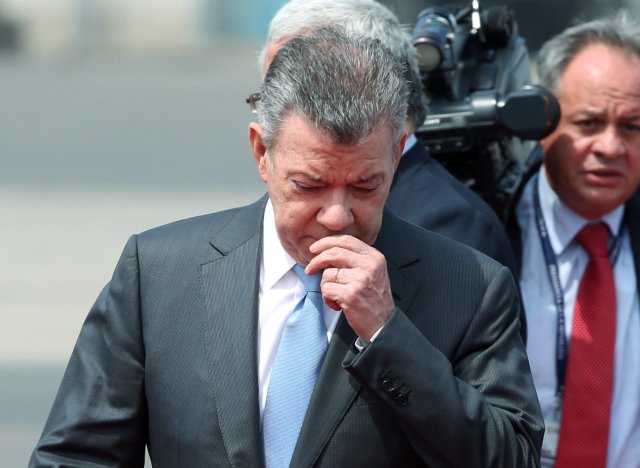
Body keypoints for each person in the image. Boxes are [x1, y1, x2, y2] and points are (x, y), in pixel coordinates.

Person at [31, 28, 542, 467]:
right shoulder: (161, 273)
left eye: (366, 186)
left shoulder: (470, 285)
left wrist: (389, 335)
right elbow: (77, 455)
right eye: (310, 185)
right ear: (261, 152)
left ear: (396, 155)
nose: (338, 215)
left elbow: (510, 457)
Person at [258, 0, 519, 278]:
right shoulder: (227, 241)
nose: (335, 217)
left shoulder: (451, 226)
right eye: (269, 94)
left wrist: (382, 322)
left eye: (303, 89)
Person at [509, 13, 640, 468]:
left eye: (632, 127)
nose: (611, 147)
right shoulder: (488, 232)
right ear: (543, 123)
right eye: (588, 123)